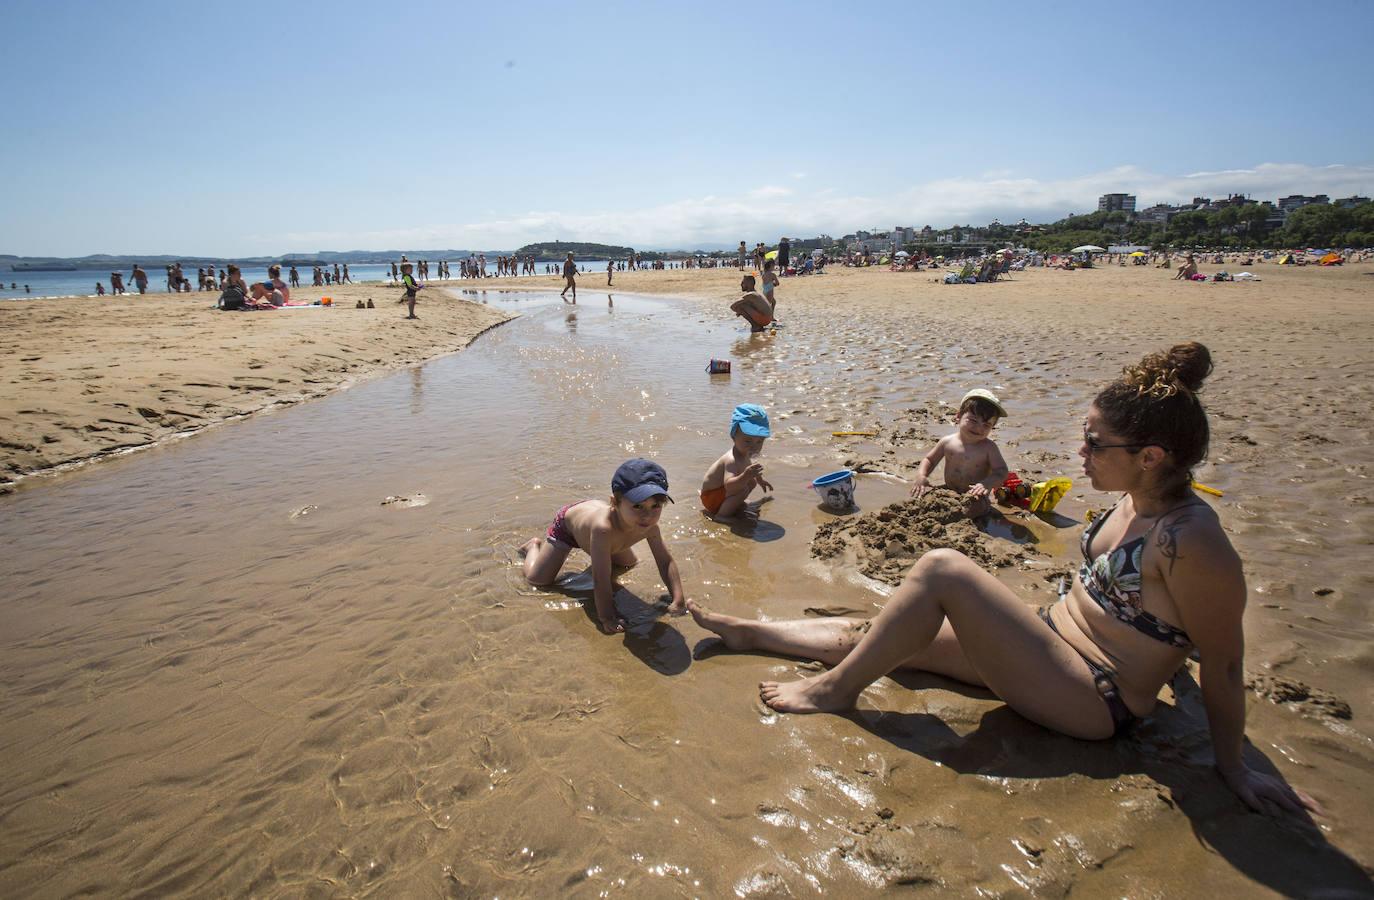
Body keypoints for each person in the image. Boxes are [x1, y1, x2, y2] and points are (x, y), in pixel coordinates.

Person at [689, 341, 1319, 818]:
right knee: (886, 629)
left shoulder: (1195, 540)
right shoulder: (1135, 501)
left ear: (1149, 456)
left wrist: (1233, 767)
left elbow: (1226, 662)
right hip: (1051, 643)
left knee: (940, 569)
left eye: (1094, 442)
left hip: (1095, 694)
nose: (1081, 453)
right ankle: (753, 633)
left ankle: (832, 692)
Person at [520, 459, 688, 634]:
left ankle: (607, 549)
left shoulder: (649, 527)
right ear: (614, 502)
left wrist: (678, 598)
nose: (647, 515)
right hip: (569, 527)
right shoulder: (603, 530)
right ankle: (532, 547)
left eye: (656, 506)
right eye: (638, 506)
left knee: (628, 564)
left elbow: (665, 561)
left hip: (604, 522)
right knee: (537, 581)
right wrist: (607, 616)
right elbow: (600, 578)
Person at [908, 389, 1010, 517]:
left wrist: (987, 483)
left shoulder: (989, 448)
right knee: (926, 500)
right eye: (973, 420)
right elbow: (930, 460)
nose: (979, 428)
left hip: (975, 495)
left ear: (992, 427)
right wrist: (921, 476)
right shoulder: (947, 442)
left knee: (973, 509)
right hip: (949, 489)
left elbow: (1001, 471)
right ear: (959, 416)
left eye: (986, 424)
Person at [700, 404, 774, 518]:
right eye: (748, 441)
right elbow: (729, 485)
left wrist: (760, 479)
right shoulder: (731, 460)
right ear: (733, 436)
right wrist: (745, 475)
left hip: (720, 494)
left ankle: (733, 504)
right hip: (711, 498)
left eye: (759, 442)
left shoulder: (744, 453)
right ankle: (721, 516)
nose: (754, 446)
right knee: (743, 489)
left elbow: (750, 467)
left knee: (751, 482)